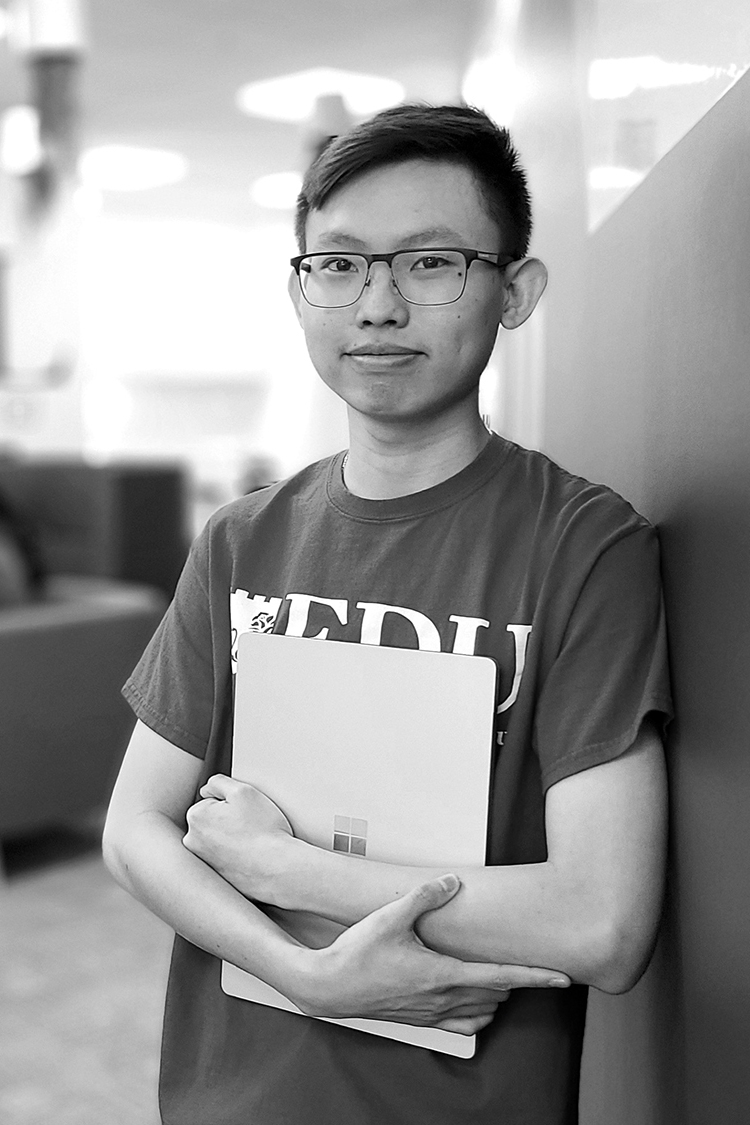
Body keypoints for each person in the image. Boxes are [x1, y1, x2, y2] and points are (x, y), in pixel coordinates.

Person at [103, 104, 672, 1125]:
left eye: (431, 263)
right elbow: (133, 829)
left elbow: (602, 919)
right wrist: (304, 971)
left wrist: (285, 870)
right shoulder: (241, 540)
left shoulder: (585, 546)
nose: (377, 306)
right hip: (228, 1097)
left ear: (515, 291)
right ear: (300, 288)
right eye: (340, 264)